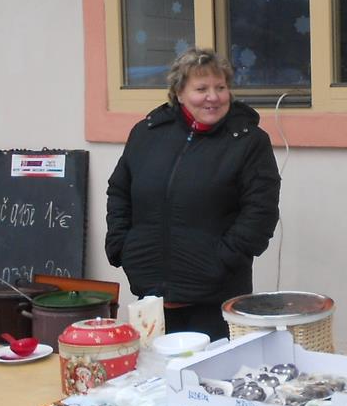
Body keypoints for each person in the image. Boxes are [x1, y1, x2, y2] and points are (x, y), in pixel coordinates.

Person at [106, 47, 281, 342]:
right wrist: (122, 246)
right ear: (179, 93)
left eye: (220, 88)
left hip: (216, 299)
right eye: (201, 89)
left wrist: (221, 260)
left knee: (212, 370)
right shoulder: (147, 133)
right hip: (151, 297)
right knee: (154, 368)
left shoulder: (248, 141)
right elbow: (120, 191)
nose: (213, 97)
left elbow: (260, 212)